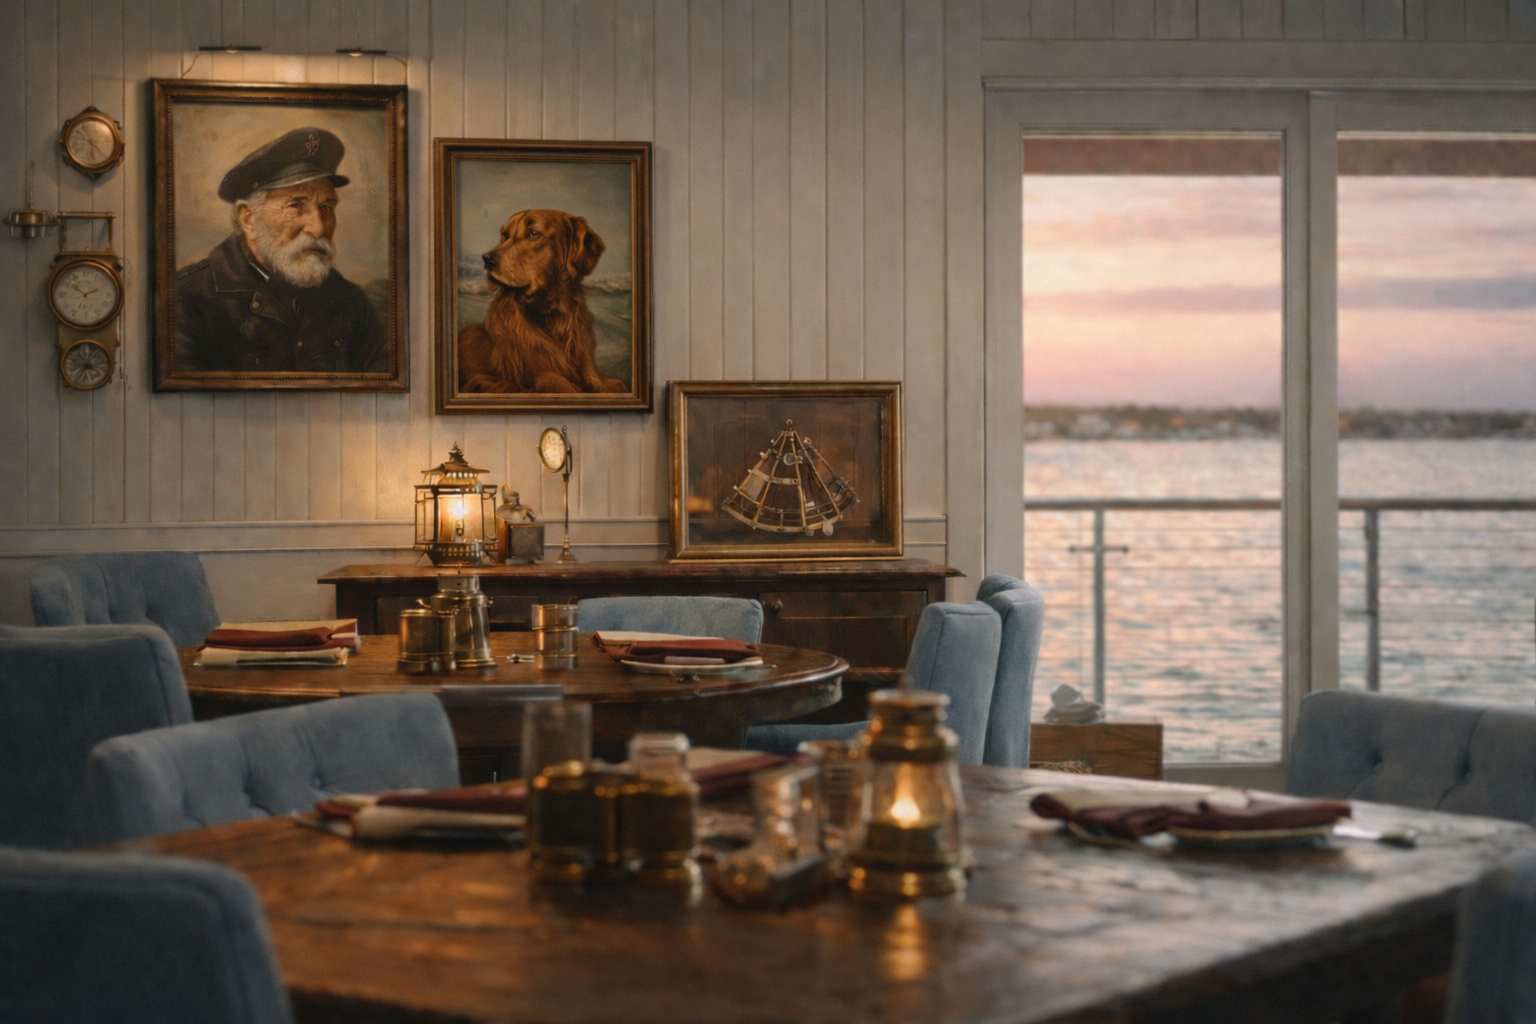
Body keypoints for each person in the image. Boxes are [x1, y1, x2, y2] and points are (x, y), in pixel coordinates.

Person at [173, 127, 389, 374]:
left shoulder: (349, 301)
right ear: (248, 219)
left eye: (327, 207)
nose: (318, 228)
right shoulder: (185, 299)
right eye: (296, 205)